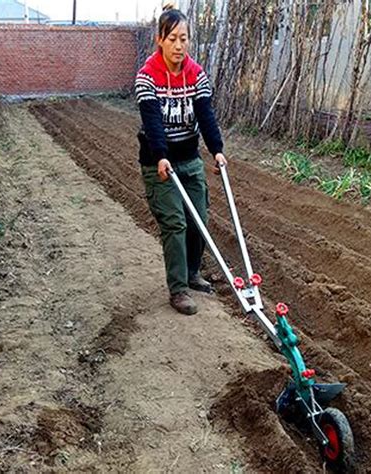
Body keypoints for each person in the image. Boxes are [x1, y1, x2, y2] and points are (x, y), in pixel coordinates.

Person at [135, 5, 227, 316]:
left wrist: (217, 149)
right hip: (159, 165)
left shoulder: (196, 74)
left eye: (184, 39)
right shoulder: (147, 77)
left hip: (189, 159)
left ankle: (191, 273)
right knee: (174, 223)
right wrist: (160, 155)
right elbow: (152, 122)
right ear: (160, 39)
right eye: (172, 38)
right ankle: (178, 289)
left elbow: (205, 114)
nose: (179, 45)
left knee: (198, 219)